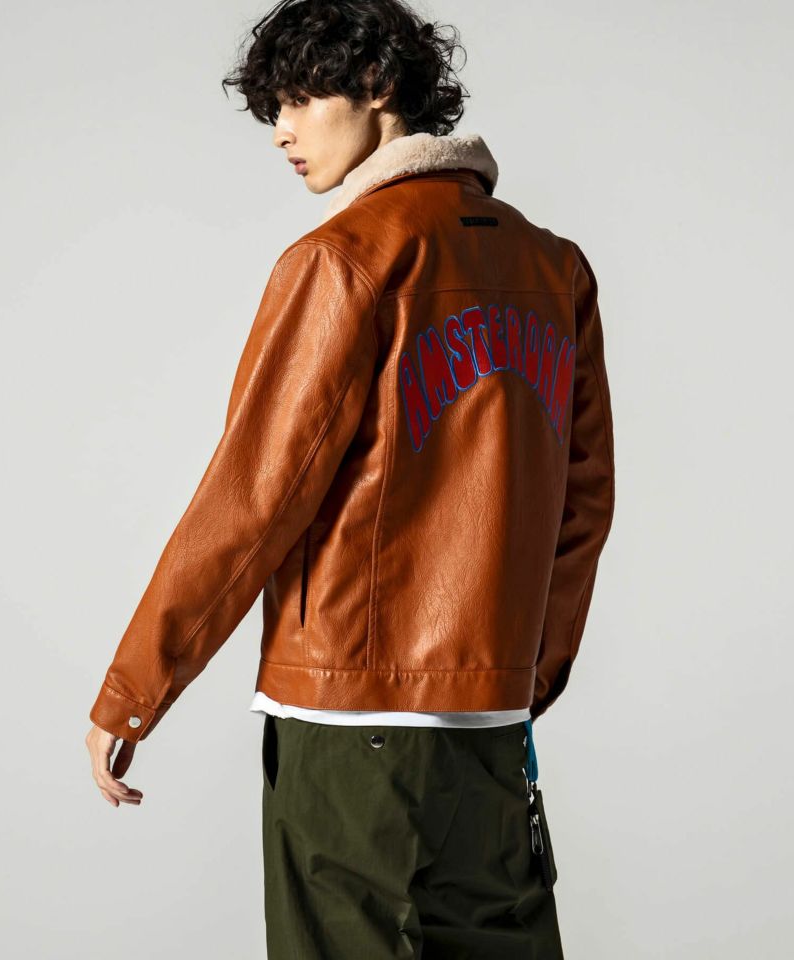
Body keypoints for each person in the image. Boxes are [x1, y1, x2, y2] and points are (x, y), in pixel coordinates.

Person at [85, 1, 615, 957]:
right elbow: (584, 503)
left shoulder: (343, 259)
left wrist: (136, 688)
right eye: (272, 110)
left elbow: (256, 497)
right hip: (489, 726)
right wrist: (522, 679)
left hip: (348, 723)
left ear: (377, 87)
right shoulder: (555, 269)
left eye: (299, 100)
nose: (280, 132)